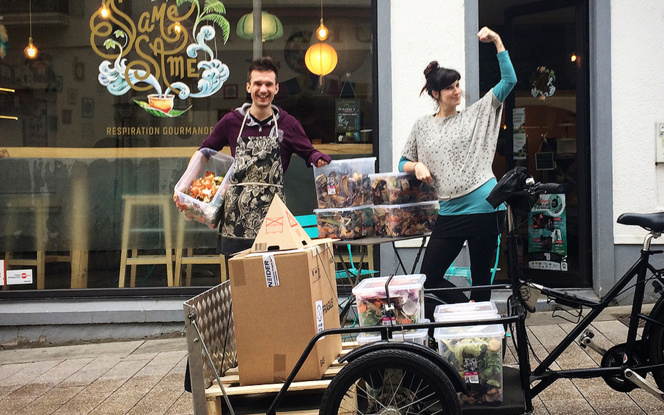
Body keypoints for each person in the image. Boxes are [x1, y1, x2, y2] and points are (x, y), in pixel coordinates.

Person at [398, 27, 517, 308]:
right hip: (448, 211)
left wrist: (498, 41)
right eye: (451, 87)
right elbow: (403, 161)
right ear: (435, 93)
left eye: (458, 85)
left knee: (481, 281)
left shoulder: (476, 114)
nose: (457, 91)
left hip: (484, 206)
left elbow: (509, 80)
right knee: (428, 279)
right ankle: (468, 311)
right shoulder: (422, 125)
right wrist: (416, 166)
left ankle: (479, 336)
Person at [175, 56, 330, 257]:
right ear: (248, 87)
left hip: (273, 221)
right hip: (235, 221)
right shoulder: (232, 121)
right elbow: (204, 151)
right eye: (257, 83)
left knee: (273, 282)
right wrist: (184, 188)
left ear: (276, 89)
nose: (263, 89)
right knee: (239, 284)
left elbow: (309, 152)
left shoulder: (288, 124)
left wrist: (319, 159)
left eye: (268, 84)